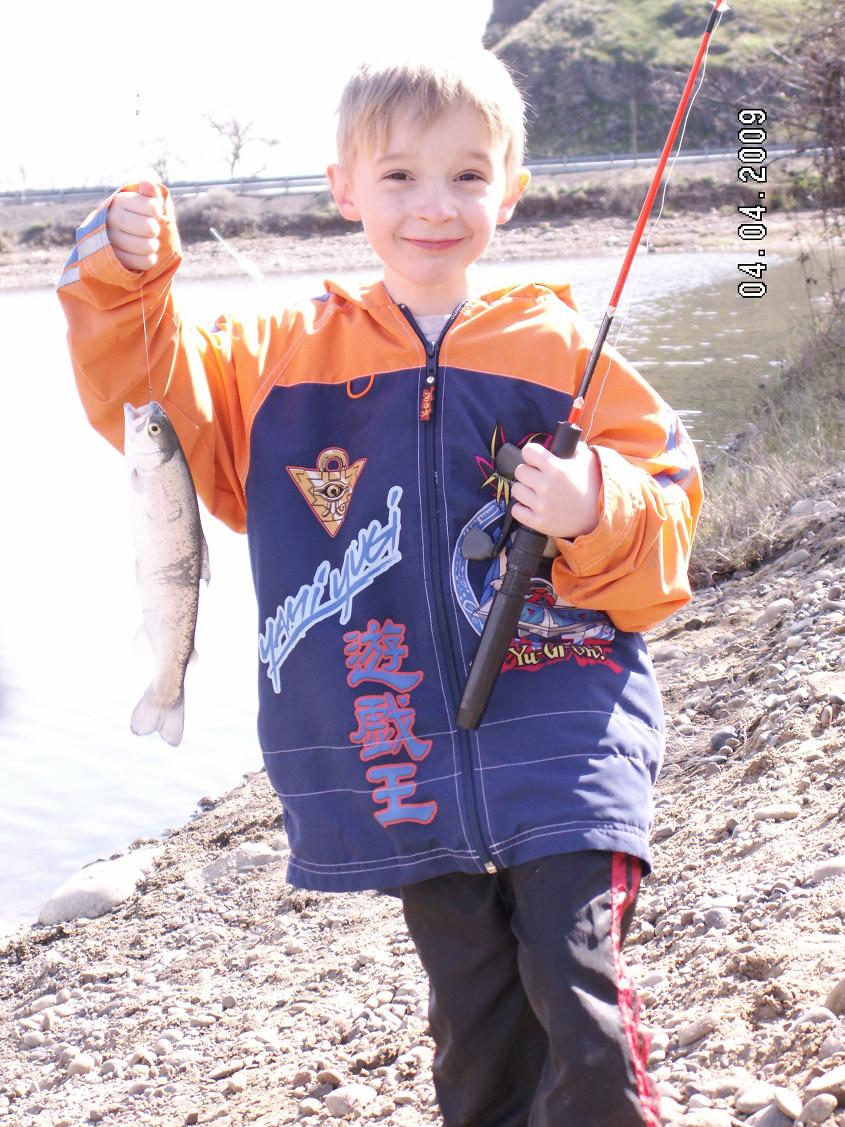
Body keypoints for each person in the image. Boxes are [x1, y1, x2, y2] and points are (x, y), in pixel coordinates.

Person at [58, 46, 701, 1127]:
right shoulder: (274, 360)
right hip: (394, 737)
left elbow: (669, 515)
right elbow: (148, 393)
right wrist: (128, 277)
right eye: (397, 175)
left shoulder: (560, 347)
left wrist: (598, 504)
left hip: (563, 726)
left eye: (465, 174)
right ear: (342, 189)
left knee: (573, 980)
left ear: (511, 190)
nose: (433, 205)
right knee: (476, 1023)